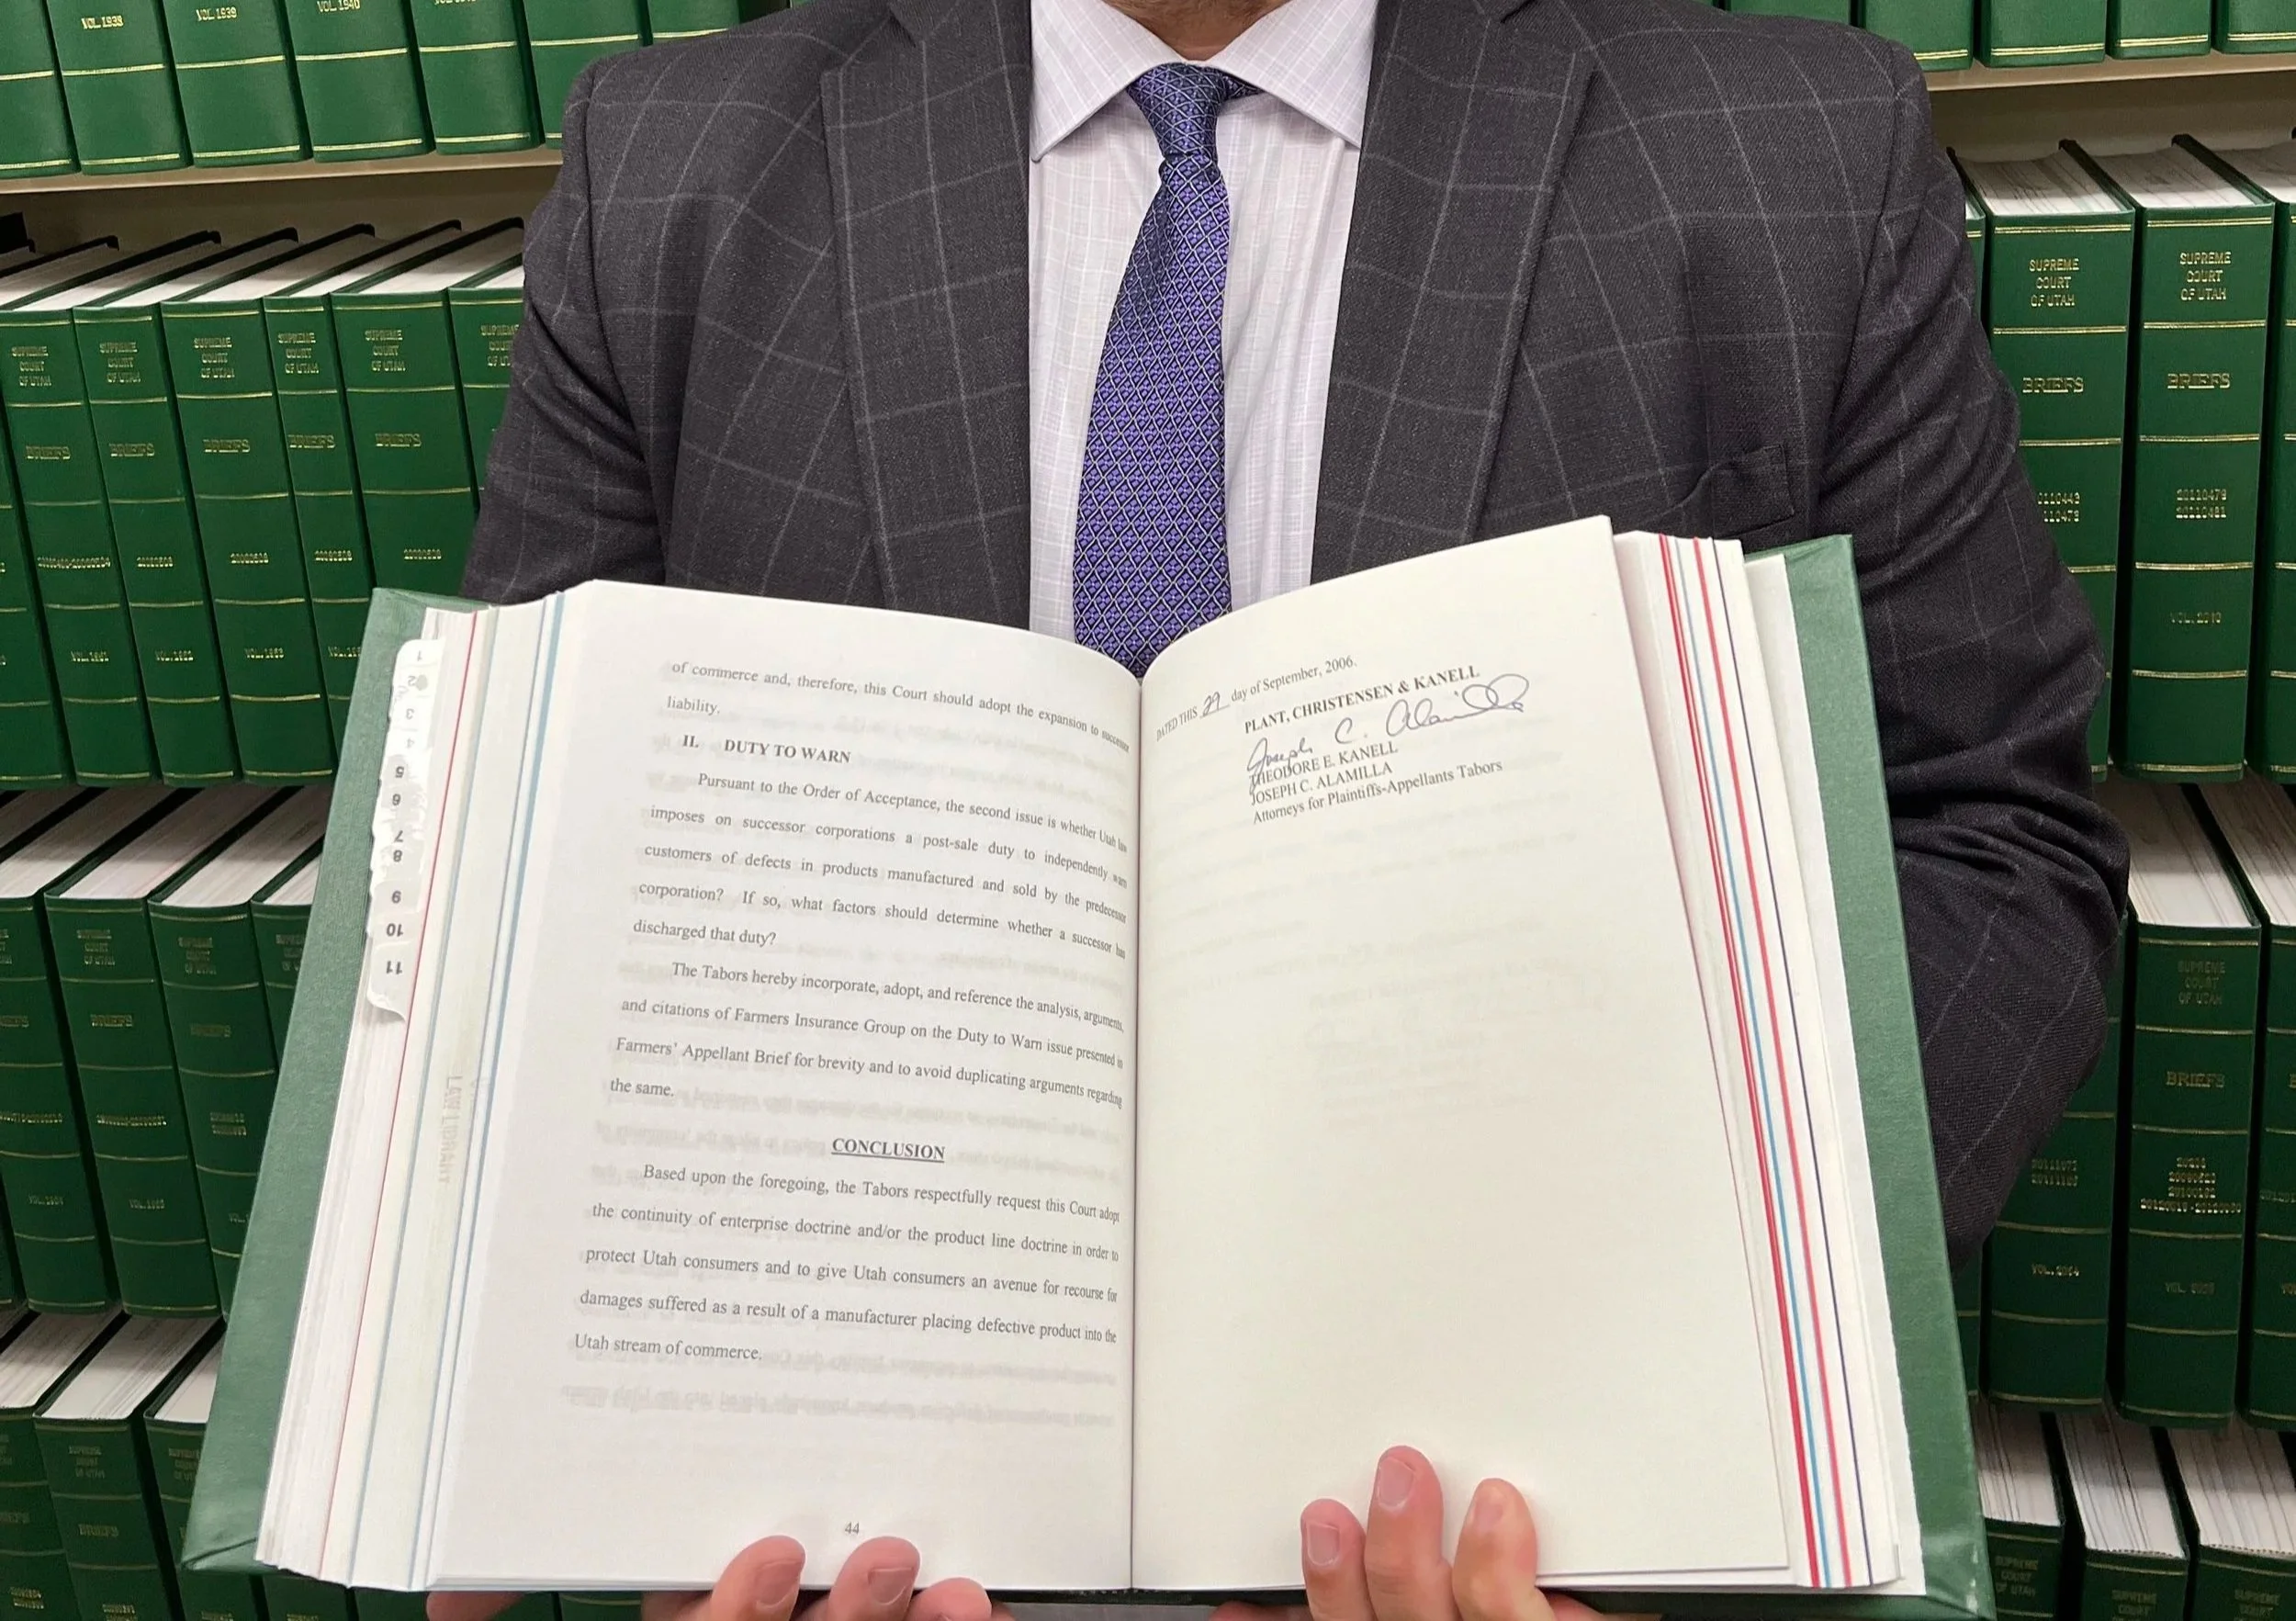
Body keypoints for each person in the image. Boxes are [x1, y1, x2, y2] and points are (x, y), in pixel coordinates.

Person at [459, 0, 2128, 1608]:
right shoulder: (668, 167)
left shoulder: (1788, 150)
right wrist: (600, 1463)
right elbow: (534, 870)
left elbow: (1984, 831)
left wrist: (1694, 1420)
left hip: (1520, 1497)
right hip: (847, 1505)